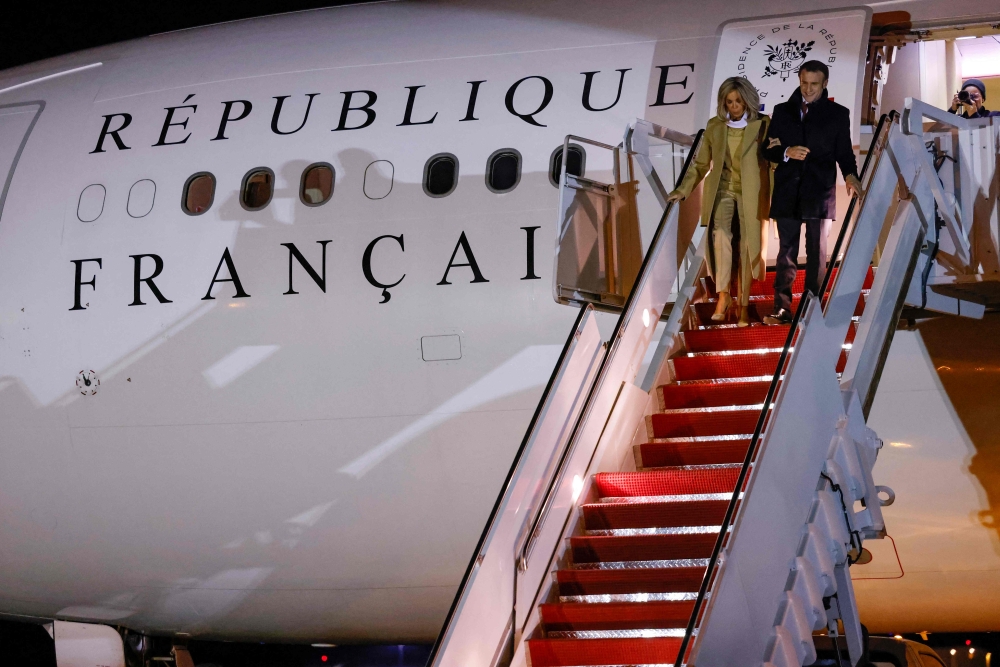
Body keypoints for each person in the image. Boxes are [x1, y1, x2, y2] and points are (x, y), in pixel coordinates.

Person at [761, 60, 862, 325]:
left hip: (819, 191)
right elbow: (767, 149)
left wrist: (851, 176)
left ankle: (811, 308)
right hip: (788, 191)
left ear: (825, 84)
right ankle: (782, 309)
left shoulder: (838, 113)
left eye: (813, 84)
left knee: (817, 252)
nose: (807, 89)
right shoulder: (782, 111)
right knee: (786, 252)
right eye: (803, 83)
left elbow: (843, 152)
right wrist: (786, 152)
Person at [668, 77, 771, 327]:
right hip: (723, 188)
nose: (734, 106)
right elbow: (702, 163)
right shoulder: (715, 125)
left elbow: (772, 161)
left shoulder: (763, 124)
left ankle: (744, 306)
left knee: (748, 244)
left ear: (747, 99)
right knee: (720, 235)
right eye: (729, 101)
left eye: (738, 101)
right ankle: (724, 296)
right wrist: (683, 190)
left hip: (752, 191)